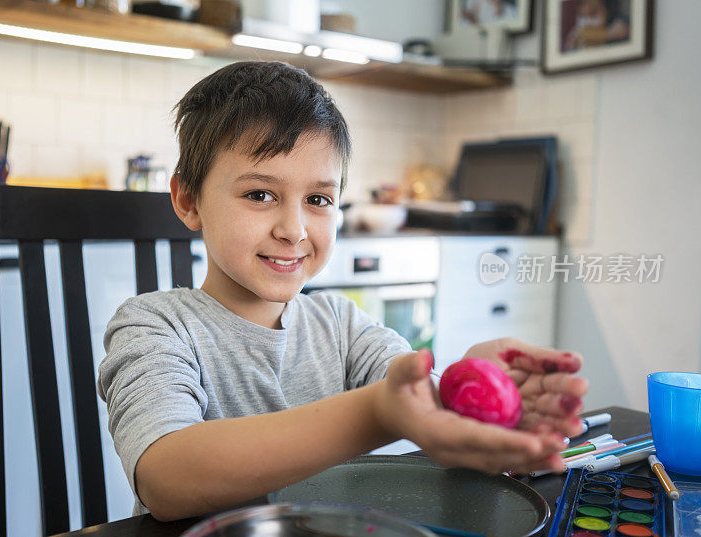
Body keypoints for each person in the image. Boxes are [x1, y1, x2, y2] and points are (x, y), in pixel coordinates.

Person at [97, 61, 589, 522]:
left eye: (318, 199)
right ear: (188, 199)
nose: (293, 229)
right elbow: (164, 476)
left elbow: (413, 392)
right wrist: (378, 412)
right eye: (260, 194)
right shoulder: (152, 327)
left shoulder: (342, 324)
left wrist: (470, 388)